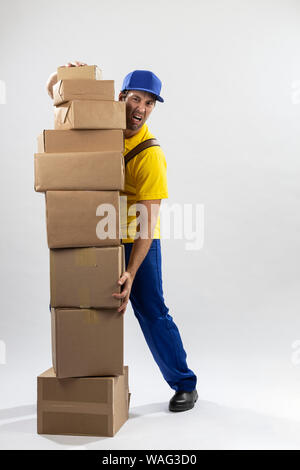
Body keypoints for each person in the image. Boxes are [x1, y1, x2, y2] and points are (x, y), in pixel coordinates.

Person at [46, 62, 198, 412]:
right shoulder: (104, 124)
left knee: (151, 310)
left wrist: (130, 270)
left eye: (149, 103)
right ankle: (82, 377)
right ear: (121, 98)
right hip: (97, 232)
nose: (141, 110)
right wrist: (59, 75)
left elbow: (147, 221)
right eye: (135, 100)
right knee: (81, 302)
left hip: (136, 238)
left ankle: (185, 383)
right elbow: (56, 98)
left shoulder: (150, 155)